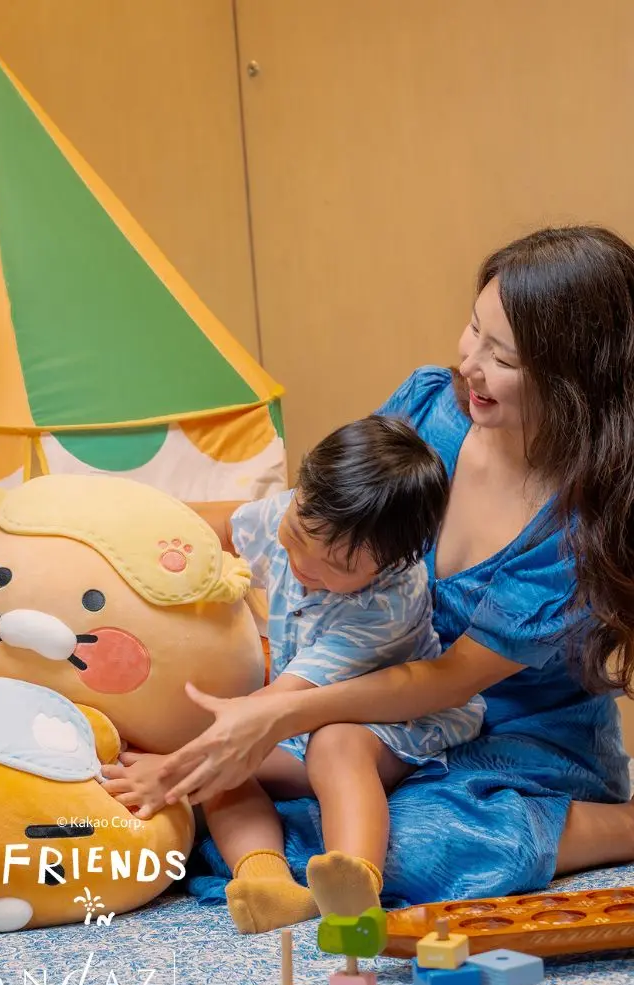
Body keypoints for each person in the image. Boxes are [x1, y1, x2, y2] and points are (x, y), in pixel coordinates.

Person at [140, 226, 634, 904]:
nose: (470, 364)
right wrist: (130, 520)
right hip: (370, 708)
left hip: (514, 737)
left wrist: (284, 714)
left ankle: (618, 826)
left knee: (414, 848)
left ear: (576, 379)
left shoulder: (575, 528)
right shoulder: (429, 408)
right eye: (474, 329)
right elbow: (317, 513)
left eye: (502, 357)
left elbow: (449, 680)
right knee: (237, 788)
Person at [103, 416, 484, 933]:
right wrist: (130, 535)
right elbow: (205, 531)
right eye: (298, 535)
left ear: (392, 564)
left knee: (335, 744)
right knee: (227, 772)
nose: (303, 563)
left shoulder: (385, 607)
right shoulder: (293, 513)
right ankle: (267, 881)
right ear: (301, 492)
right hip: (296, 720)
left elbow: (276, 706)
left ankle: (355, 885)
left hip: (390, 722)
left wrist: (170, 772)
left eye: (338, 567)